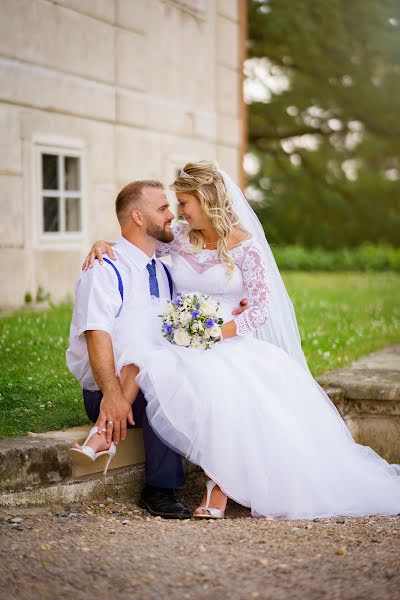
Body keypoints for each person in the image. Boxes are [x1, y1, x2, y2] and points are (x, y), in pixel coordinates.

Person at [85, 162, 400, 520]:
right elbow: (138, 246)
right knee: (149, 360)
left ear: (206, 201)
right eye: (174, 205)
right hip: (182, 341)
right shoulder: (179, 239)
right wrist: (102, 244)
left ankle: (217, 483)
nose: (178, 212)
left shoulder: (246, 247)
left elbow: (261, 308)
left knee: (233, 392)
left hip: (228, 340)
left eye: (184, 203)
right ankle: (110, 441)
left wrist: (216, 333)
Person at [67, 179, 248, 519]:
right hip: (107, 392)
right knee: (162, 383)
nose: (172, 216)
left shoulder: (164, 270)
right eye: (163, 208)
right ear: (137, 217)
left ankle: (227, 477)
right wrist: (112, 395)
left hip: (142, 378)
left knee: (203, 378)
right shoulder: (104, 270)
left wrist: (239, 302)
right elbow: (96, 335)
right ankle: (161, 489)